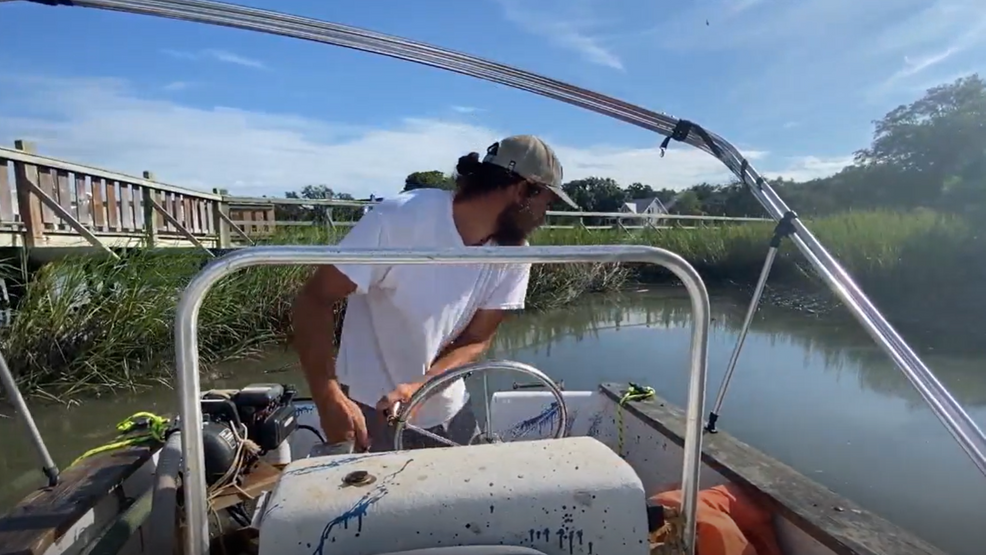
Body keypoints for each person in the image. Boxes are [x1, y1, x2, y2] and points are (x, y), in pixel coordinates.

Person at [291, 135, 580, 454]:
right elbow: (313, 299)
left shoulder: (514, 254)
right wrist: (327, 396)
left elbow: (476, 339)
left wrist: (423, 385)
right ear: (523, 190)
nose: (545, 215)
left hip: (450, 409)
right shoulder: (400, 218)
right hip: (368, 413)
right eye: (547, 202)